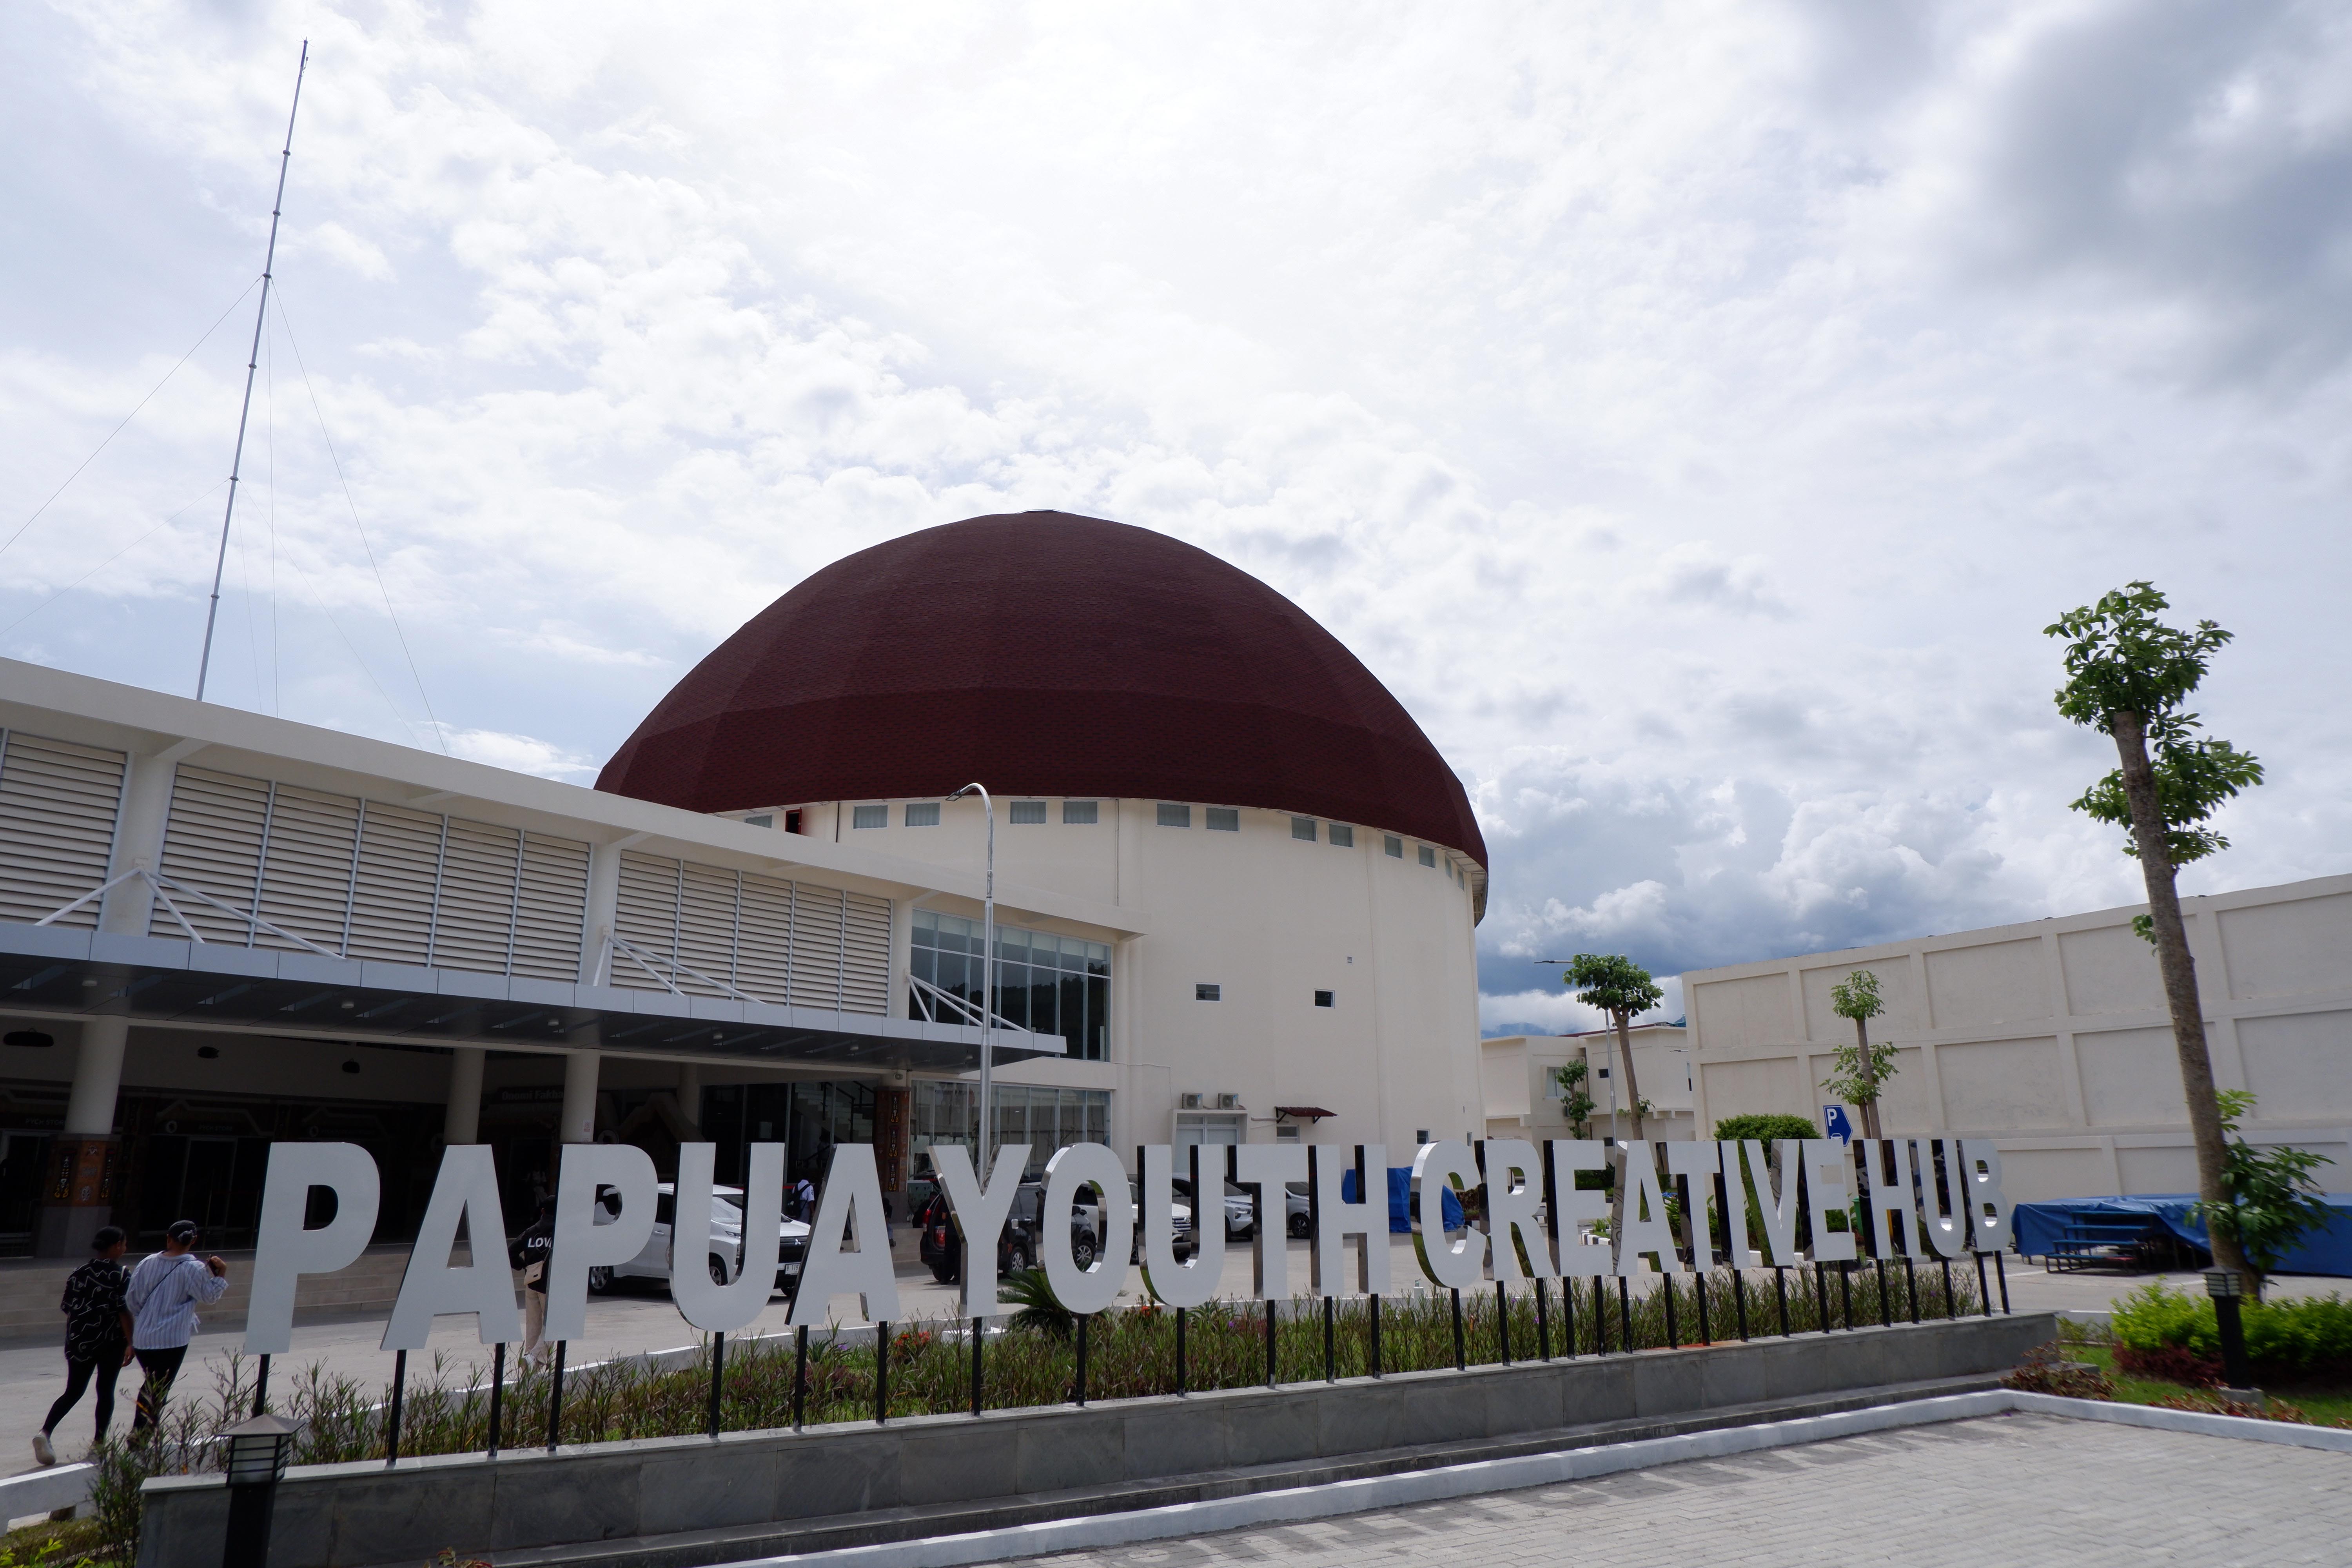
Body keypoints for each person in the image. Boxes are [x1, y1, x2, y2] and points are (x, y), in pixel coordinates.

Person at [33, 1225, 132, 1465]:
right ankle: (99, 1445)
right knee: (105, 1390)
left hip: (79, 1341)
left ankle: (45, 1432)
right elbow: (124, 1312)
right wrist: (131, 1342)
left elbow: (67, 1307)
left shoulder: (78, 1273)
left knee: (74, 1391)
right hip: (110, 1342)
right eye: (124, 1244)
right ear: (117, 1245)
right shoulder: (121, 1275)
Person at [123, 1220, 229, 1436]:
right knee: (158, 1387)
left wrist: (146, 1318)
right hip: (172, 1339)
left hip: (144, 1337)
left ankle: (145, 1431)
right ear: (194, 1241)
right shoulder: (194, 1268)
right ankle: (141, 1433)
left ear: (169, 1239)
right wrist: (221, 1275)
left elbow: (132, 1300)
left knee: (154, 1383)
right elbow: (209, 1297)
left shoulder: (147, 1262)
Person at [508, 1197, 555, 1367]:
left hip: (531, 1283)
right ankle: (533, 1358)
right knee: (555, 1327)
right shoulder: (561, 1233)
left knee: (533, 1326)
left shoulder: (530, 1232)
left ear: (542, 1212)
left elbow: (512, 1252)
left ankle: (529, 1364)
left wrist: (524, 1266)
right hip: (550, 1286)